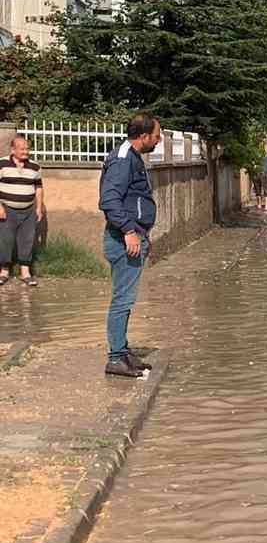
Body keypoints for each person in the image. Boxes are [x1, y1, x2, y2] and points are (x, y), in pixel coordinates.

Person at [100, 114, 163, 378]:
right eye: (157, 134)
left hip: (133, 237)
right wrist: (128, 231)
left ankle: (122, 351)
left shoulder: (132, 157)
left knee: (126, 298)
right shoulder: (123, 159)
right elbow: (109, 200)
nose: (159, 139)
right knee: (122, 299)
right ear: (144, 135)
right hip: (125, 239)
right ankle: (115, 358)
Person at [0, 135, 46, 288]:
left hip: (28, 210)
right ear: (13, 150)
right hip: (7, 209)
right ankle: (4, 272)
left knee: (27, 240)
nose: (26, 151)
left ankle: (25, 273)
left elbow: (38, 188)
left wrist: (39, 207)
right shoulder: (2, 164)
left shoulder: (34, 166)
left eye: (27, 148)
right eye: (22, 149)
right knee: (5, 240)